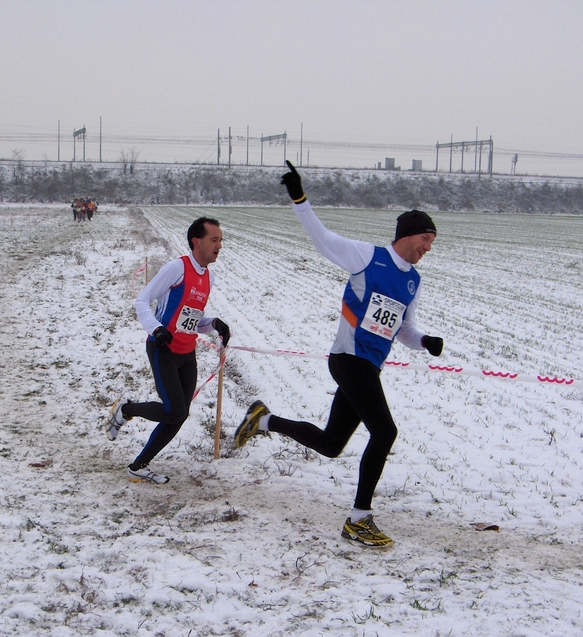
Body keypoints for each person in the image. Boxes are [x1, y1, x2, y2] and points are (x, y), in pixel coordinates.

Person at [234, 161, 445, 547]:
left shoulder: (413, 281)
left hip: (368, 366)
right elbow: (322, 238)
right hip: (348, 358)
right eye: (426, 239)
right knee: (385, 431)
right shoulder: (368, 256)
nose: (429, 248)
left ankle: (264, 421)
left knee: (332, 444)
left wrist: (424, 342)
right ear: (409, 235)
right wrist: (299, 197)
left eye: (432, 242)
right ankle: (359, 519)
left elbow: (404, 329)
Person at [105, 217, 231, 484]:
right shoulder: (177, 268)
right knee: (174, 411)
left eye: (220, 240)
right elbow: (142, 300)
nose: (220, 245)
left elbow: (192, 319)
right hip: (164, 349)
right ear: (197, 242)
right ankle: (127, 409)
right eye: (214, 239)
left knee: (179, 414)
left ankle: (139, 466)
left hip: (187, 353)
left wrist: (214, 324)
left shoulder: (209, 276)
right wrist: (156, 329)